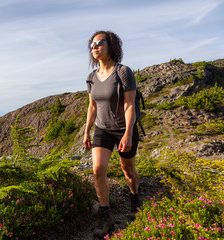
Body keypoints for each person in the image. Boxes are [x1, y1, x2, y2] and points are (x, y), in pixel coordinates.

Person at [83, 30, 142, 238]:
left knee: (128, 170)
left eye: (100, 42)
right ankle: (107, 219)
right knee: (98, 169)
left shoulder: (123, 72)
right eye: (92, 45)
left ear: (111, 45)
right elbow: (92, 106)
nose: (95, 47)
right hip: (102, 129)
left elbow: (129, 105)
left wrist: (127, 133)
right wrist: (86, 130)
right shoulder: (91, 77)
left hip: (123, 129)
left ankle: (135, 196)